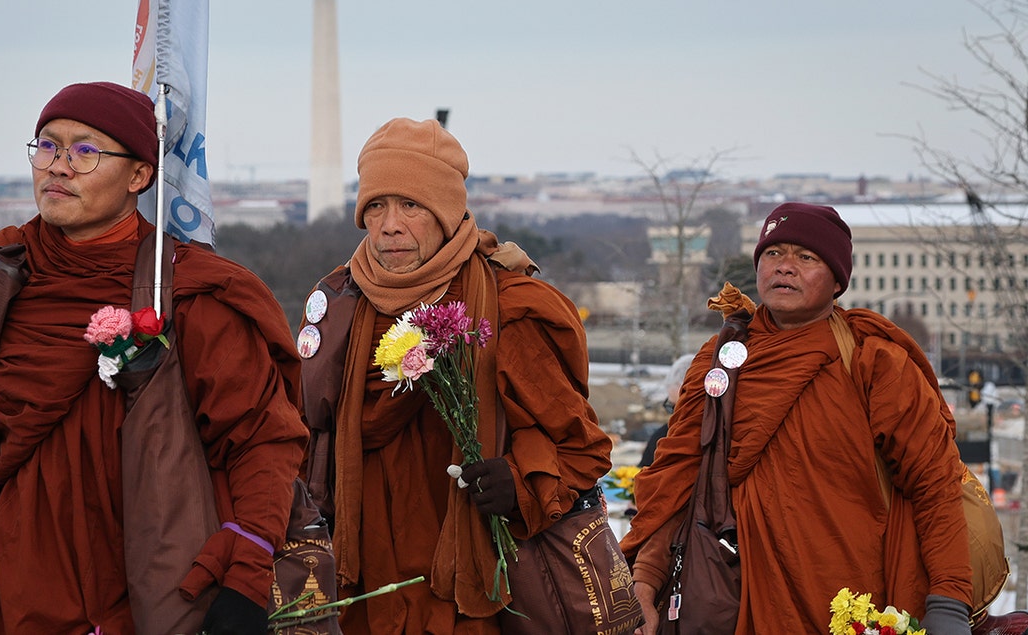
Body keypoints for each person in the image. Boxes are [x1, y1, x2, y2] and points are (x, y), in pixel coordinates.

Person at [0, 81, 309, 635]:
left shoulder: (185, 291)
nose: (58, 167)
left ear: (138, 176)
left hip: (134, 572)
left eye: (86, 151)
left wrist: (248, 569)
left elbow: (261, 438)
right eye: (47, 146)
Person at [298, 117, 613, 633]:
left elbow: (583, 447)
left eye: (411, 205)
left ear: (446, 212)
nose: (389, 225)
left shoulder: (507, 308)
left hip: (470, 599)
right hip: (360, 594)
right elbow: (301, 436)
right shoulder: (338, 307)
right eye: (375, 206)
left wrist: (518, 482)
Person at [620, 202, 972, 635]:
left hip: (849, 605)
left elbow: (935, 485)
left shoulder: (873, 362)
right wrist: (644, 582)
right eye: (773, 254)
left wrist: (949, 602)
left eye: (805, 257)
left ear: (837, 279)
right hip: (731, 601)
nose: (785, 267)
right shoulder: (718, 363)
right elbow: (675, 484)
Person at [638, 353, 694, 468]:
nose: (676, 416)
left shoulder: (719, 441)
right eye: (671, 407)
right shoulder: (662, 438)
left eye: (680, 408)